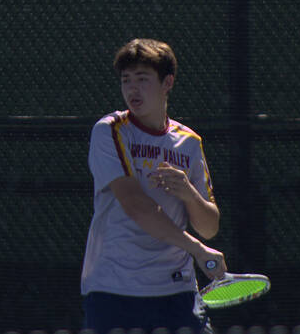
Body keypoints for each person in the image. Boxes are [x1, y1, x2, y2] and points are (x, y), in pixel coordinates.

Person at [81, 38, 227, 334]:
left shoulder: (189, 142)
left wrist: (187, 192)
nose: (132, 89)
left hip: (178, 293)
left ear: (167, 82)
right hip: (114, 289)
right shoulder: (109, 131)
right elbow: (137, 207)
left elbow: (209, 225)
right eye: (126, 80)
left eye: (143, 79)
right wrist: (198, 249)